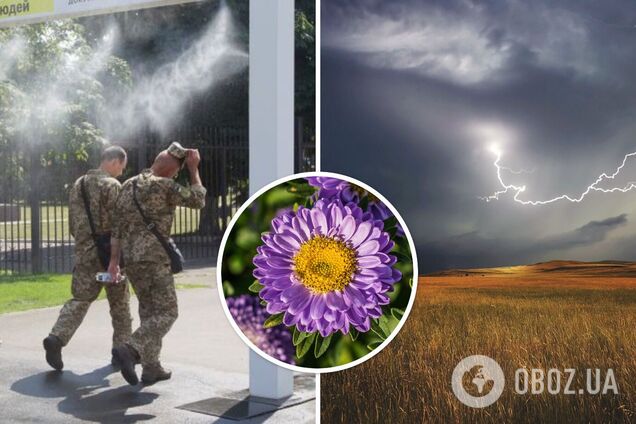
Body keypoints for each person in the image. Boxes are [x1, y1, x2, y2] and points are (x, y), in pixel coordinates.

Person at [110, 142, 206, 385]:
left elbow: (117, 228)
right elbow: (197, 199)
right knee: (167, 312)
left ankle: (151, 367)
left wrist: (114, 261)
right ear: (173, 170)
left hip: (132, 261)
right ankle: (130, 349)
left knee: (149, 311)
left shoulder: (128, 185)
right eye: (177, 171)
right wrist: (193, 169)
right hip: (154, 260)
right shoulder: (165, 185)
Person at [43, 145, 133, 371]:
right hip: (109, 255)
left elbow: (73, 223)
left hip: (85, 253)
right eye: (122, 166)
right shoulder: (112, 185)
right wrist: (118, 256)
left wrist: (84, 242)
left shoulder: (78, 184)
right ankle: (121, 353)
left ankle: (57, 337)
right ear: (114, 161)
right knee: (120, 305)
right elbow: (119, 224)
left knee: (80, 299)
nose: (122, 171)